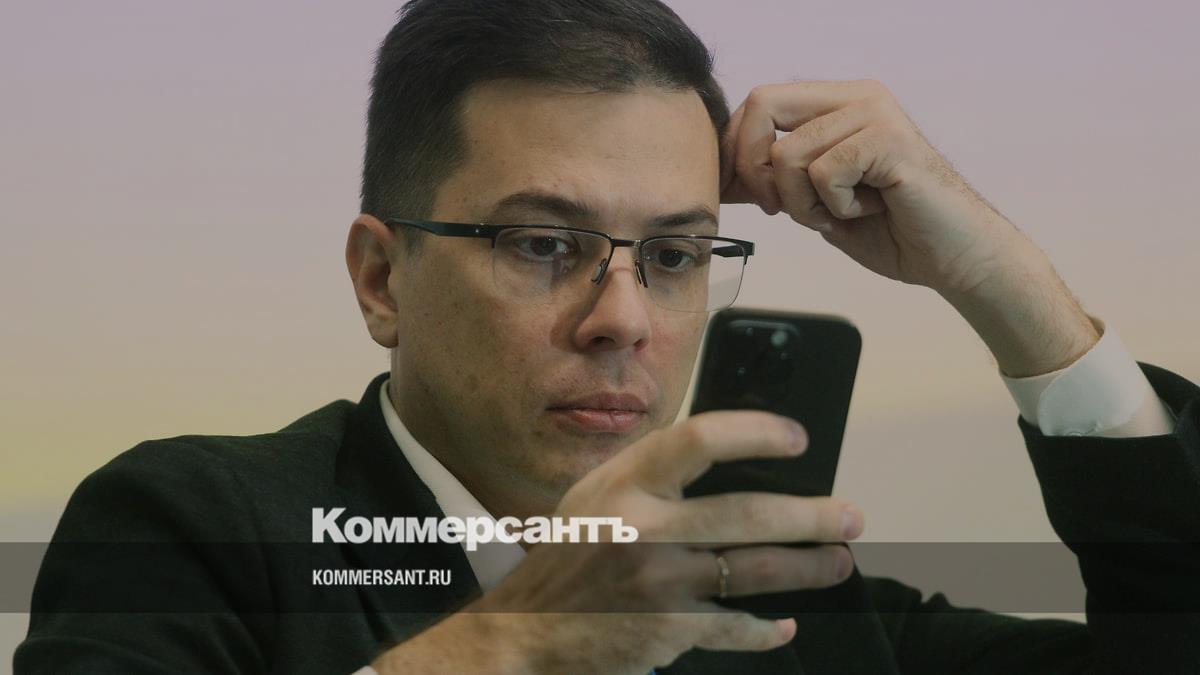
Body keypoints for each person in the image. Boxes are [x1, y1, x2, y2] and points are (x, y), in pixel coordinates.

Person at [16, 0, 1199, 673]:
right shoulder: (195, 527)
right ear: (382, 279)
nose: (624, 318)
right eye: (542, 243)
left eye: (675, 255)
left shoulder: (793, 610)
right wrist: (516, 645)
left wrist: (1000, 278)